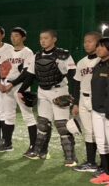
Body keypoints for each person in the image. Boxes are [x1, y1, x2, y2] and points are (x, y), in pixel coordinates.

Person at [17, 29, 77, 166]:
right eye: (41, 38)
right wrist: (21, 90)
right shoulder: (37, 56)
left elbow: (73, 75)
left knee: (62, 125)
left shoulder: (64, 55)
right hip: (43, 91)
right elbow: (30, 75)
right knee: (43, 123)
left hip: (59, 91)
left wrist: (73, 95)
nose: (42, 41)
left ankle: (71, 157)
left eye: (46, 38)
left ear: (54, 39)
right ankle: (39, 151)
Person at [71, 31, 102, 172]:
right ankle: (91, 162)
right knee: (89, 132)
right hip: (83, 99)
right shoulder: (81, 62)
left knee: (102, 133)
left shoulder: (102, 61)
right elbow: (77, 84)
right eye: (85, 41)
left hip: (99, 99)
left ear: (98, 43)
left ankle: (104, 164)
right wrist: (75, 103)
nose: (86, 44)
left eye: (90, 41)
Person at [89, 37, 109, 186]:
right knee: (102, 143)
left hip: (107, 111)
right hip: (97, 110)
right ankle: (107, 173)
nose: (98, 49)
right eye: (98, 46)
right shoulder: (98, 64)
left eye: (102, 46)